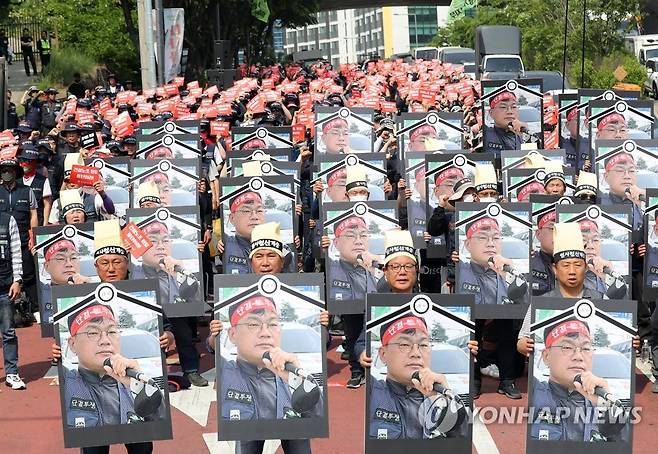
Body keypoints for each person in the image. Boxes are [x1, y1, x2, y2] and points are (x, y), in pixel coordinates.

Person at [62, 303, 166, 428]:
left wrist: (143, 389)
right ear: (73, 344)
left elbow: (162, 427)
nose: (105, 340)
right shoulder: (66, 383)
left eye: (111, 331)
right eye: (93, 333)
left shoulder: (134, 382)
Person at [529, 317, 629, 442]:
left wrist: (608, 411)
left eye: (586, 348)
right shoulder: (533, 393)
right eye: (567, 347)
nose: (578, 356)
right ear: (546, 356)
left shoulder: (604, 405)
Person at [369, 314, 467, 439]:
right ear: (383, 354)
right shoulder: (371, 392)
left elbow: (462, 443)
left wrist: (443, 404)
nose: (416, 353)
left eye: (423, 345)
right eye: (404, 344)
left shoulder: (443, 396)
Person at [0, 150, 39, 317]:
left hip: (23, 239)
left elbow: (34, 213)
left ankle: (36, 310)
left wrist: (33, 236)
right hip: (2, 242)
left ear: (15, 172)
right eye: (4, 170)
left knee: (29, 275)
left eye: (10, 170)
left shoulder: (26, 190)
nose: (7, 173)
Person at [458, 217, 528, 305]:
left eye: (495, 238)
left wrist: (513, 281)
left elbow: (527, 314)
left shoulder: (511, 277)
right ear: (468, 244)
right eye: (482, 237)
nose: (491, 244)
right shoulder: (459, 270)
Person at [48, 153, 115, 224]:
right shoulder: (57, 203)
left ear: (82, 180)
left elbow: (110, 210)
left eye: (74, 179)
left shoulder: (94, 199)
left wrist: (103, 194)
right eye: (67, 180)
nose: (71, 183)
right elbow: (52, 227)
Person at [0, 210, 27, 389]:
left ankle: (12, 373)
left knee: (8, 332)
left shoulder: (7, 219)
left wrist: (17, 279)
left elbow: (16, 251)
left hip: (4, 284)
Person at [579, 219, 628, 299]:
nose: (590, 246)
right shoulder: (561, 277)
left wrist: (610, 280)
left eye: (595, 240)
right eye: (583, 240)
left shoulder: (608, 274)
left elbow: (625, 307)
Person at [223, 191, 266, 275]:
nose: (254, 217)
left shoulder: (279, 248)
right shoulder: (225, 245)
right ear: (232, 218)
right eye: (246, 211)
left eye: (259, 210)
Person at [600, 151, 644, 231]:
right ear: (606, 176)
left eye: (631, 171)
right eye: (620, 171)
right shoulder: (596, 203)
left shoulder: (643, 204)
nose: (627, 176)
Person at [483, 91, 526, 156]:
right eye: (503, 107)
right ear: (491, 113)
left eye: (513, 107)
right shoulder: (485, 135)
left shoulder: (526, 135)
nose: (509, 111)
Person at [18, 143, 52, 226]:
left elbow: (47, 205)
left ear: (34, 162)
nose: (24, 164)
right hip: (19, 223)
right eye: (22, 160)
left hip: (38, 222)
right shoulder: (16, 179)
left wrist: (45, 225)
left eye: (28, 161)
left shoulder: (43, 180)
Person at [530, 210, 557, 296]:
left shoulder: (580, 267)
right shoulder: (530, 265)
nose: (558, 234)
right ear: (538, 234)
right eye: (552, 228)